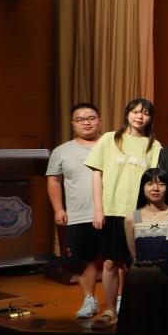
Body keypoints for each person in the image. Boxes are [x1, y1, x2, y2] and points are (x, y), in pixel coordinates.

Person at [87, 98, 161, 327]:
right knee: (110, 262)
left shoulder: (154, 145)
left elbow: (154, 182)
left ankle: (132, 310)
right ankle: (110, 310)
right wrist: (98, 209)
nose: (140, 116)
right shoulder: (109, 139)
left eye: (145, 113)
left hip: (139, 214)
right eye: (135, 112)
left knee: (136, 266)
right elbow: (97, 174)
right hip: (111, 211)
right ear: (127, 114)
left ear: (150, 118)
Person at [47, 102, 103, 321]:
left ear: (99, 121)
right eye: (80, 119)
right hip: (79, 214)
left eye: (90, 118)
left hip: (112, 211)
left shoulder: (111, 145)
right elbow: (53, 180)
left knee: (115, 260)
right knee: (85, 260)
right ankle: (89, 299)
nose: (86, 123)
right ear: (73, 124)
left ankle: (119, 299)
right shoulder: (62, 151)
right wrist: (58, 208)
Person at [117, 168, 168, 335]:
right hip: (140, 279)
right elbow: (133, 254)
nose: (155, 188)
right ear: (142, 187)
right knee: (139, 326)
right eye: (150, 184)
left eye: (161, 184)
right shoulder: (132, 218)